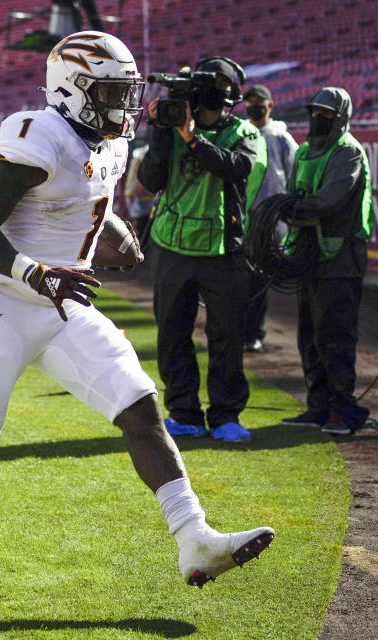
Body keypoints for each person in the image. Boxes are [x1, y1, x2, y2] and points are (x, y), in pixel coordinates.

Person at [0, 31, 274, 587]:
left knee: (138, 406)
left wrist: (110, 233)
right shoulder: (38, 133)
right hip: (2, 300)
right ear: (73, 90)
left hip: (63, 303)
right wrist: (38, 271)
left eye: (127, 93)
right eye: (112, 93)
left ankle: (195, 539)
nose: (125, 106)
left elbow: (81, 200)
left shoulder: (109, 141)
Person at [137, 57, 266, 442]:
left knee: (227, 335)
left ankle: (226, 415)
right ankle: (184, 413)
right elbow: (150, 180)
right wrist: (162, 132)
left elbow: (236, 168)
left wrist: (192, 137)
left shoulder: (245, 132)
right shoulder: (171, 127)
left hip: (223, 248)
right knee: (172, 333)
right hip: (171, 246)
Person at [280, 87, 373, 436]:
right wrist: (293, 211)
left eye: (325, 113)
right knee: (310, 335)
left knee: (335, 335)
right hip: (309, 255)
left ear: (340, 117)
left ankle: (342, 410)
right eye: (314, 111)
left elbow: (330, 199)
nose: (317, 118)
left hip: (341, 258)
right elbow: (291, 197)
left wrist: (296, 210)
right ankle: (317, 407)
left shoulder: (348, 152)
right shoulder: (304, 151)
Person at [241, 84, 298, 353]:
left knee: (259, 279)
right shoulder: (242, 134)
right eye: (249, 101)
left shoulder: (281, 138)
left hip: (271, 221)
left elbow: (294, 174)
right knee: (239, 278)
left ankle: (254, 332)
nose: (254, 105)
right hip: (243, 217)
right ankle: (240, 331)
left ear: (270, 105)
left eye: (258, 101)